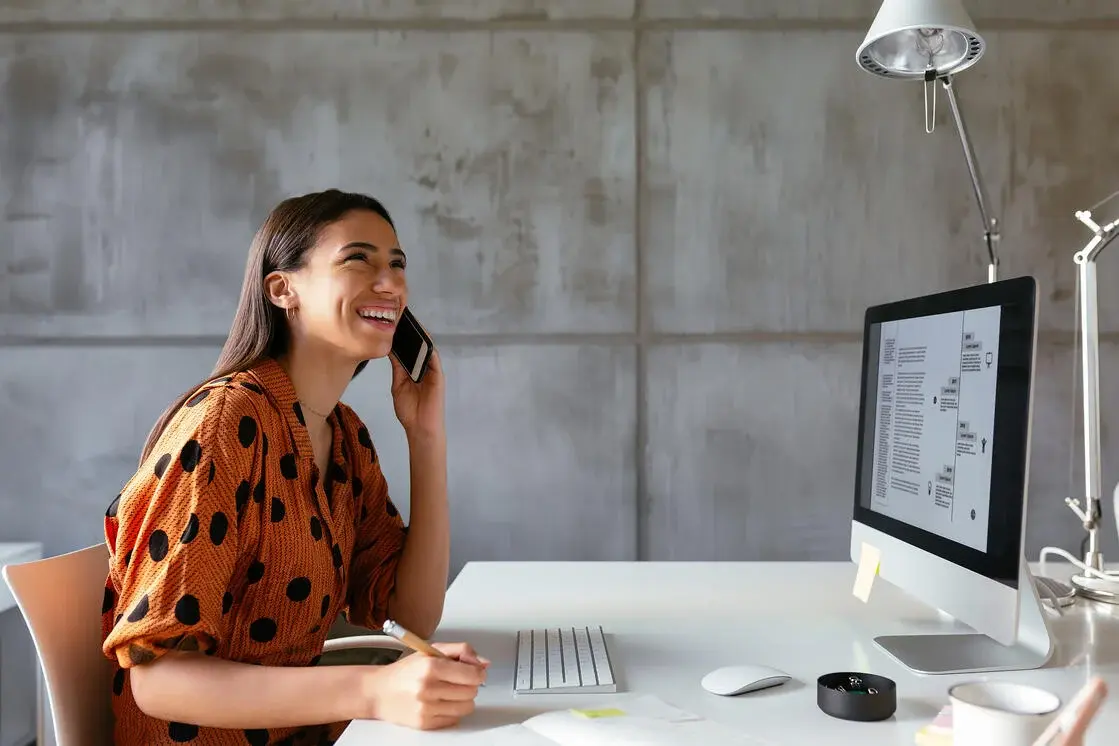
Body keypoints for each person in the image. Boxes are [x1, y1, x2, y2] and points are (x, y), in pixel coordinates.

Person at [100, 189, 488, 745]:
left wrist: (426, 436)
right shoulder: (223, 424)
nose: (391, 283)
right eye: (360, 259)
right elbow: (160, 679)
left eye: (397, 264)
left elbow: (410, 614)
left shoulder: (346, 435)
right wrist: (374, 691)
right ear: (283, 290)